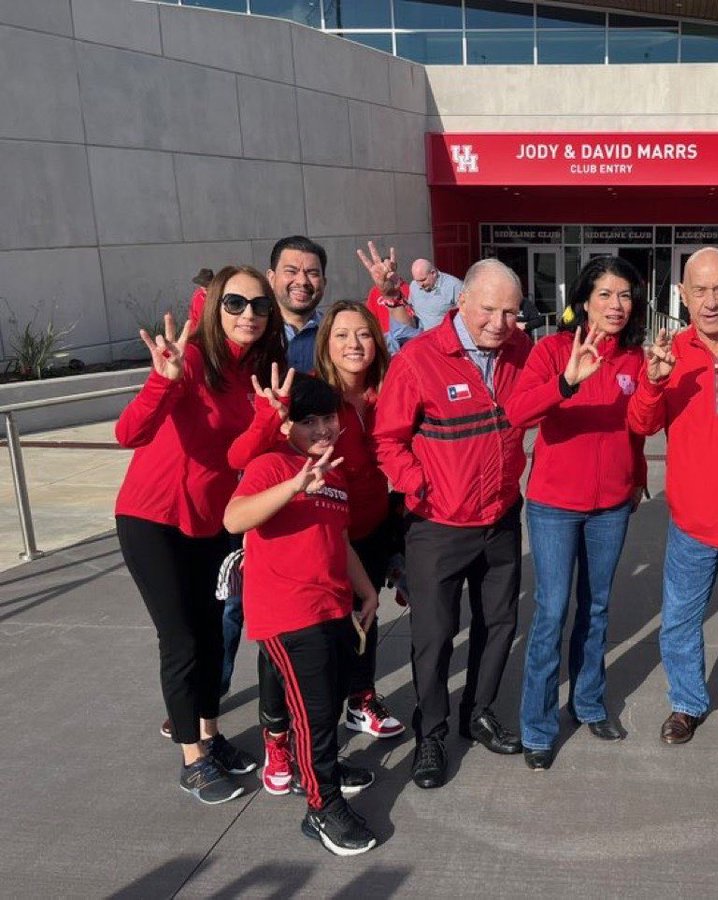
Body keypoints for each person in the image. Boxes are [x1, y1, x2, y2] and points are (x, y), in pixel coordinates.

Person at [115, 264, 286, 803]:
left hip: (212, 520)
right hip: (152, 517)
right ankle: (191, 757)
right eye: (235, 303)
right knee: (182, 637)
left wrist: (266, 418)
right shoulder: (187, 359)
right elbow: (129, 434)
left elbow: (235, 455)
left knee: (213, 635)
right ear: (215, 307)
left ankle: (210, 738)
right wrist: (159, 382)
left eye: (260, 305)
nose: (248, 315)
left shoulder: (259, 371)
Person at [373, 258, 532, 789]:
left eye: (511, 312)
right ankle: (433, 733)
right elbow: (388, 441)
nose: (499, 322)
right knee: (434, 635)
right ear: (461, 301)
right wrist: (422, 486)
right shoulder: (419, 359)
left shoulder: (519, 351)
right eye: (489, 308)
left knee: (499, 624)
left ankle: (479, 711)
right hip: (438, 524)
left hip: (501, 517)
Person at [626, 247, 718, 755]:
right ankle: (687, 702)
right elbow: (641, 425)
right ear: (683, 296)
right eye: (699, 290)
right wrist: (653, 381)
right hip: (690, 526)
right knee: (680, 624)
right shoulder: (671, 353)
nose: (710, 301)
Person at [224, 374, 380, 857]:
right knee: (313, 713)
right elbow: (234, 518)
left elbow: (341, 540)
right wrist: (293, 485)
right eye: (307, 421)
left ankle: (323, 769)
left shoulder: (331, 472)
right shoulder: (272, 464)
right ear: (287, 425)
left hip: (332, 605)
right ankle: (322, 805)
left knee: (329, 702)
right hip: (288, 614)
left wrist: (367, 589)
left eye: (329, 417)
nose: (323, 428)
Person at [504, 256, 648, 770]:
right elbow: (517, 414)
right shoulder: (551, 350)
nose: (616, 305)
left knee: (597, 608)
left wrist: (638, 478)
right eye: (606, 294)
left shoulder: (633, 358)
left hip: (611, 507)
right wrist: (566, 381)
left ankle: (587, 702)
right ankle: (538, 726)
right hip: (554, 508)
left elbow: (635, 427)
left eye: (625, 295)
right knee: (551, 612)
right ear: (584, 300)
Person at [268, 235, 327, 373]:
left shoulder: (336, 332)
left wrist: (388, 297)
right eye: (291, 271)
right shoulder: (253, 330)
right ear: (271, 278)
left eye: (312, 273)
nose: (302, 281)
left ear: (324, 282)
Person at [356, 241, 421, 353]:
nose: (387, 271)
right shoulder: (374, 292)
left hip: (405, 341)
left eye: (389, 267)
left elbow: (414, 319)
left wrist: (393, 297)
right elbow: (370, 317)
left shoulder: (408, 288)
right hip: (385, 342)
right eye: (383, 268)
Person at [408, 258, 463, 331]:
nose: (420, 284)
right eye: (417, 280)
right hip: (421, 337)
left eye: (423, 280)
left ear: (433, 273)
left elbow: (465, 315)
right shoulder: (414, 285)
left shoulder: (454, 286)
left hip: (443, 336)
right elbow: (411, 309)